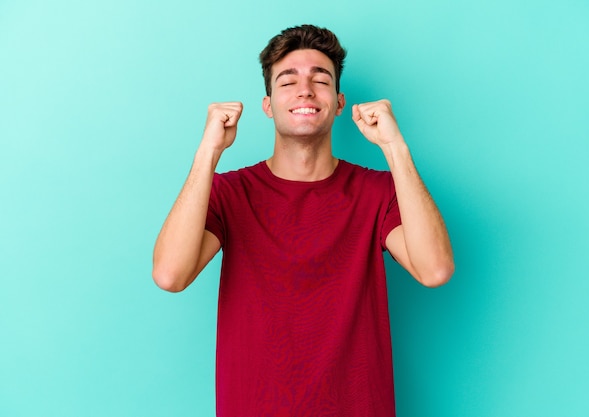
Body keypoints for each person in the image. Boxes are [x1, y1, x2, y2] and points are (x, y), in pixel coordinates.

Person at [153, 24, 454, 417]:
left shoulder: (377, 192)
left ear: (340, 102)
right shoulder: (229, 193)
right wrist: (207, 154)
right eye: (288, 80)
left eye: (321, 79)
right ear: (268, 104)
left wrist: (395, 149)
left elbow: (434, 269)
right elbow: (170, 275)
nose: (305, 90)